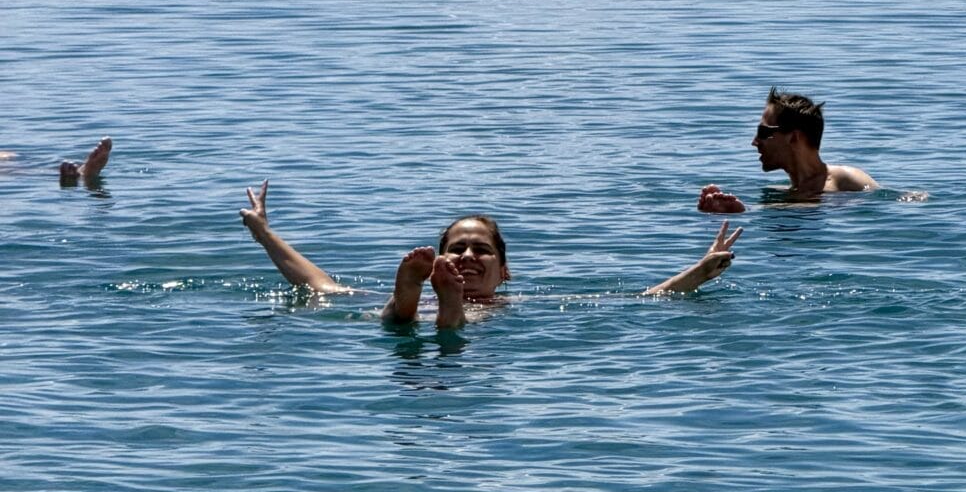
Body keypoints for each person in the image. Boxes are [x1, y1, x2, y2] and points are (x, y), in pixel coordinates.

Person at [239, 181, 741, 331]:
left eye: (481, 250)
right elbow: (319, 284)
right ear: (438, 260)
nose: (467, 254)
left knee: (443, 325)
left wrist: (697, 273)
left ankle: (435, 307)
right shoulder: (520, 310)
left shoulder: (516, 305)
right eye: (455, 249)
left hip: (447, 321)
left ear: (504, 271)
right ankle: (416, 300)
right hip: (423, 313)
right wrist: (265, 233)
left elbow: (637, 300)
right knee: (393, 314)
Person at [698, 88, 877, 213]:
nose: (755, 142)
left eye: (764, 132)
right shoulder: (782, 194)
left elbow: (883, 207)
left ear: (793, 137)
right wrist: (727, 210)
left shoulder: (846, 178)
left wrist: (747, 211)